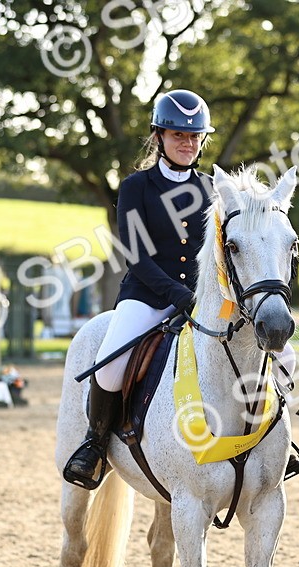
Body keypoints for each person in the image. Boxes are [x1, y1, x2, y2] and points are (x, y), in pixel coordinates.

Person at [63, 89, 215, 489]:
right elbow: (136, 255)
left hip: (202, 301)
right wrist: (177, 295)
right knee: (111, 365)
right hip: (147, 296)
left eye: (195, 137)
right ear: (159, 137)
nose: (188, 144)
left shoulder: (212, 189)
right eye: (179, 136)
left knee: (269, 349)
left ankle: (271, 443)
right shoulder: (136, 187)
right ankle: (95, 444)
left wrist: (204, 295)